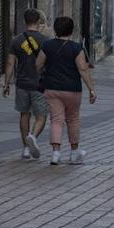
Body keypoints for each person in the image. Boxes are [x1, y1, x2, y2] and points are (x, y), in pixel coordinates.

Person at [35, 16, 97, 165]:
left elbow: (38, 65)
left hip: (52, 88)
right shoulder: (76, 48)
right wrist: (91, 89)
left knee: (56, 120)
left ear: (56, 29)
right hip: (72, 89)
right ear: (71, 30)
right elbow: (83, 69)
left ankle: (55, 153)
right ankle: (74, 152)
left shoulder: (47, 45)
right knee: (73, 119)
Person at [3, 9, 49, 160]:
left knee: (24, 114)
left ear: (25, 21)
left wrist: (6, 83)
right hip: (39, 84)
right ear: (38, 21)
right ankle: (33, 137)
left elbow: (10, 62)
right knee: (41, 116)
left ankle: (25, 149)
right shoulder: (44, 40)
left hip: (21, 83)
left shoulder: (16, 40)